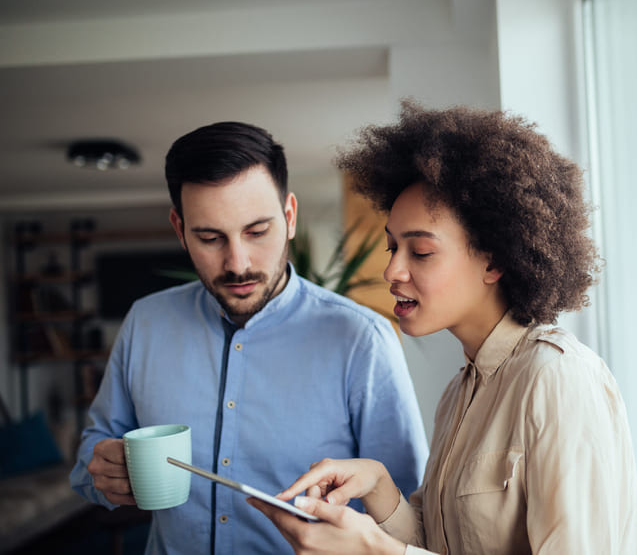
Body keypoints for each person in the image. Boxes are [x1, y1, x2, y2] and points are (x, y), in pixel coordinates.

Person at [248, 102, 637, 554]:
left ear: (493, 260)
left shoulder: (557, 377)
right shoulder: (458, 394)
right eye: (392, 248)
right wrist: (378, 485)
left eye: (420, 252)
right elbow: (441, 546)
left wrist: (375, 550)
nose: (392, 271)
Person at [70, 121, 429, 555]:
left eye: (257, 232)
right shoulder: (145, 323)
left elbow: (407, 512)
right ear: (179, 229)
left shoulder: (361, 339)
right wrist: (101, 471)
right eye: (210, 238)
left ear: (290, 217)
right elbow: (91, 455)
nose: (237, 263)